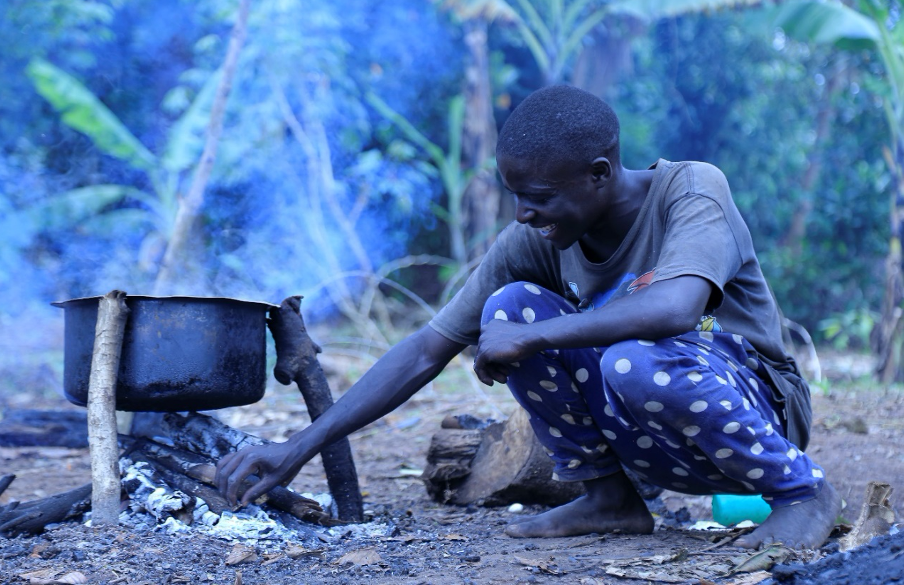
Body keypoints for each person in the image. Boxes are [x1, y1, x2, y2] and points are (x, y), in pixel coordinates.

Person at [216, 84, 842, 550]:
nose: (522, 214)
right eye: (516, 195)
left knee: (616, 349)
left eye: (538, 198)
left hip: (757, 415)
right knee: (506, 308)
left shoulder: (692, 190)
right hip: (648, 432)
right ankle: (608, 498)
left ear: (599, 174)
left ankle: (801, 492)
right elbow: (427, 349)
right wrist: (298, 447)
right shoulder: (537, 240)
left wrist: (534, 336)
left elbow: (674, 309)